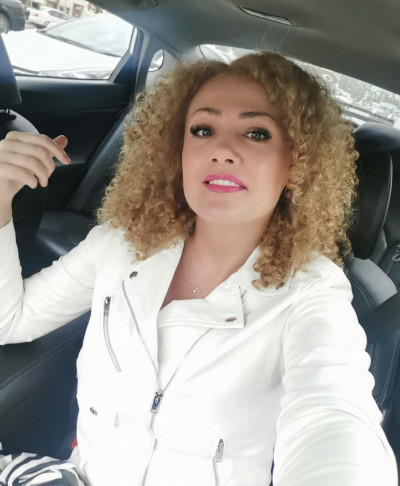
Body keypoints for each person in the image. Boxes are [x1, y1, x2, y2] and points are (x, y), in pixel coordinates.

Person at [0, 51, 397, 486]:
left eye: (257, 133)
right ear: (179, 151)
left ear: (296, 164)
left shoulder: (312, 290)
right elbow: (10, 320)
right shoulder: (121, 243)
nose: (222, 150)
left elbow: (335, 413)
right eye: (203, 130)